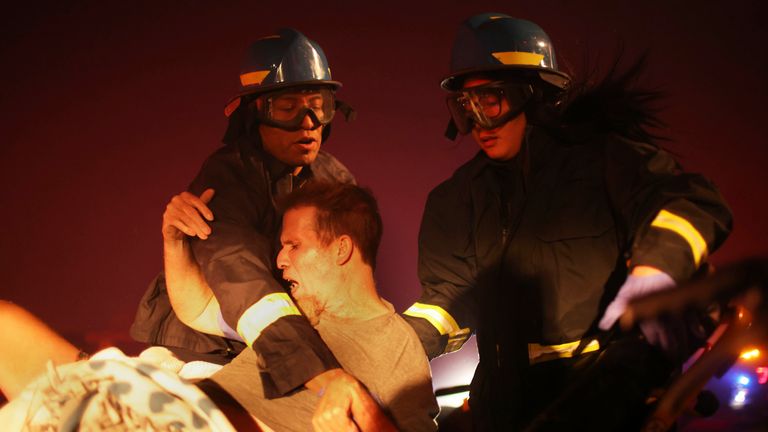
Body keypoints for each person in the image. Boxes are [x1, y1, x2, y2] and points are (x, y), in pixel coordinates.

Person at [399, 13, 733, 430]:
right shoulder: (454, 200)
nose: (477, 123)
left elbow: (691, 201)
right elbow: (449, 300)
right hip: (505, 409)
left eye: (491, 100)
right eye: (466, 106)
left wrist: (657, 271)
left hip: (607, 397)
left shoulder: (604, 163)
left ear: (533, 95)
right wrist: (395, 344)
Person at [1, 182, 437, 431]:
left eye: (293, 245)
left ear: (341, 249)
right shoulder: (289, 319)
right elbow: (197, 309)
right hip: (176, 394)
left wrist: (356, 404)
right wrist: (174, 240)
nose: (280, 260)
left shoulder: (395, 346)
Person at [130, 27, 360, 409]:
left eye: (318, 106)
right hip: (203, 343)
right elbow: (240, 276)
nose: (307, 122)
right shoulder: (227, 176)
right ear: (257, 112)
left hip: (283, 342)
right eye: (288, 109)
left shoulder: (337, 180)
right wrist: (316, 371)